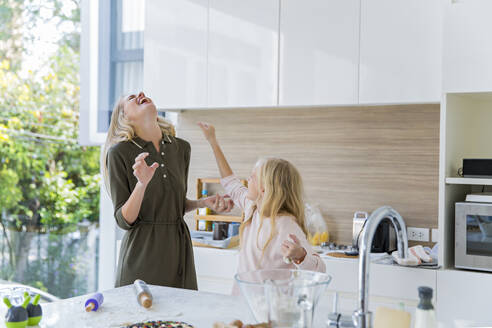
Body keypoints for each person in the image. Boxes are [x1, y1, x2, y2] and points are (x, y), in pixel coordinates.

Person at [101, 92, 234, 288]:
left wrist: (202, 203)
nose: (140, 94)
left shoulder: (181, 148)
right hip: (143, 254)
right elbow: (123, 219)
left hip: (179, 252)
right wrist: (142, 184)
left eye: (141, 93)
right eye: (131, 98)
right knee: (143, 317)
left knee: (183, 316)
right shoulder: (119, 153)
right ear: (124, 117)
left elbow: (175, 204)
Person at [197, 122, 325, 293]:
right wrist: (213, 142)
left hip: (272, 311)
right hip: (243, 302)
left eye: (252, 177)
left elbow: (320, 270)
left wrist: (300, 255)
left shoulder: (286, 225)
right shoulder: (252, 208)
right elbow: (230, 182)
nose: (247, 181)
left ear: (264, 189)